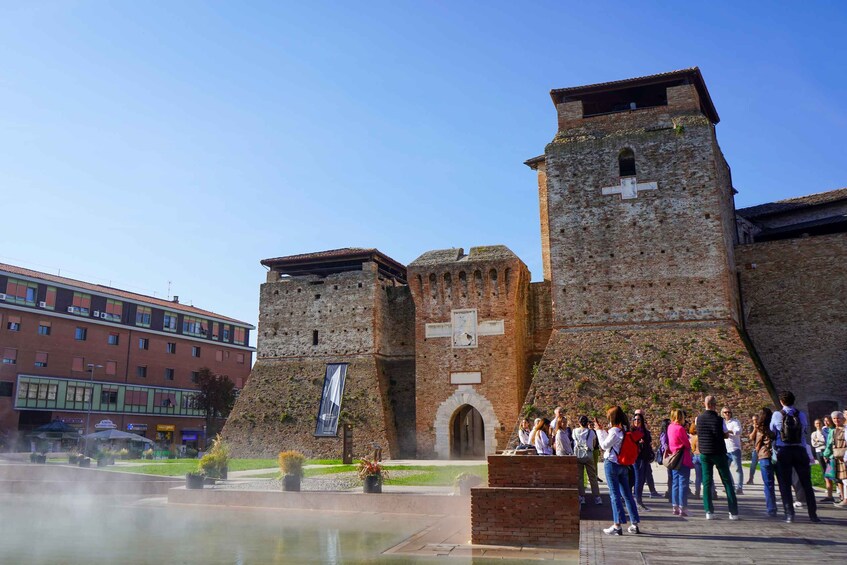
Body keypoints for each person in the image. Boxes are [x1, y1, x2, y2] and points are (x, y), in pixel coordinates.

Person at [770, 390, 820, 523]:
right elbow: (804, 431)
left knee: (784, 483)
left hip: (784, 451)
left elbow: (772, 431)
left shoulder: (777, 415)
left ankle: (789, 514)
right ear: (794, 400)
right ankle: (813, 514)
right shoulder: (801, 414)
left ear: (781, 402)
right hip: (799, 450)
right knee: (806, 483)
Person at [595, 407, 641, 536]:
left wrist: (599, 431)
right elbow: (611, 442)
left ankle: (617, 525)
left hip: (612, 464)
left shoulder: (614, 431)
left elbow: (604, 445)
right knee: (627, 494)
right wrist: (603, 430)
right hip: (623, 464)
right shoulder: (625, 429)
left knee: (614, 495)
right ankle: (634, 523)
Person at [696, 395, 740, 520]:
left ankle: (709, 511)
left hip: (705, 452)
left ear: (705, 404)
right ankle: (733, 512)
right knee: (727, 482)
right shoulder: (719, 420)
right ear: (714, 405)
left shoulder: (698, 419)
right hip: (719, 452)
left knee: (707, 481)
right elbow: (725, 434)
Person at [667, 409, 694, 517]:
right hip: (682, 457)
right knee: (683, 483)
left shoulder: (670, 427)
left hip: (674, 457)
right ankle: (683, 507)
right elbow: (687, 444)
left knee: (675, 483)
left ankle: (675, 506)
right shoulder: (680, 429)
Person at [572, 415, 602, 505]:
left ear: (579, 422)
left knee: (580, 477)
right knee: (592, 477)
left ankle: (582, 497)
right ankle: (597, 497)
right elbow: (594, 443)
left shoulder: (574, 431)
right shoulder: (591, 432)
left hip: (578, 454)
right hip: (588, 454)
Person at [754, 407, 778, 517]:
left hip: (765, 456)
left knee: (768, 484)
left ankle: (771, 509)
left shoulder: (761, 428)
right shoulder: (774, 427)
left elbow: (758, 444)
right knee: (781, 483)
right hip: (776, 456)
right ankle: (787, 507)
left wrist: (757, 451)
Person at [631, 412, 655, 510]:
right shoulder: (631, 431)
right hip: (636, 458)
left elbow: (648, 442)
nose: (637, 421)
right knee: (638, 479)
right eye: (635, 420)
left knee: (641, 479)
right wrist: (638, 442)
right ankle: (638, 501)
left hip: (644, 457)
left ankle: (639, 500)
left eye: (639, 420)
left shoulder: (645, 432)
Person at [822, 411, 847, 508]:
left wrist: (826, 454)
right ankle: (842, 497)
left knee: (843, 479)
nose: (836, 420)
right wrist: (826, 455)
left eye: (838, 418)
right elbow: (829, 444)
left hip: (842, 456)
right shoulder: (833, 431)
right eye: (834, 419)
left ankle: (844, 498)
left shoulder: (845, 430)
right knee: (837, 478)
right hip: (835, 458)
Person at [721, 406, 744, 494]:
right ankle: (730, 486)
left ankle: (739, 487)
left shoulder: (735, 422)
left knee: (738, 468)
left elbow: (738, 432)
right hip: (725, 449)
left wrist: (729, 431)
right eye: (725, 412)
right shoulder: (722, 422)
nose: (727, 414)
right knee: (725, 469)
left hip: (734, 448)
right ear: (722, 414)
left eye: (729, 412)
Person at [811, 418, 834, 502]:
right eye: (816, 423)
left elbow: (826, 441)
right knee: (824, 472)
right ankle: (829, 494)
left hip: (826, 452)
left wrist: (819, 441)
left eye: (819, 423)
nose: (818, 425)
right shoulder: (814, 434)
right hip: (819, 452)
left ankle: (833, 492)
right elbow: (814, 444)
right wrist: (819, 441)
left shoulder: (825, 431)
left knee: (830, 471)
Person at [746, 414, 760, 485]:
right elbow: (751, 437)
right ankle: (751, 479)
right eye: (754, 420)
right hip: (755, 448)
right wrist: (755, 429)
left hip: (763, 449)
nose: (755, 421)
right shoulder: (751, 427)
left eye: (757, 419)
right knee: (753, 464)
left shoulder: (762, 426)